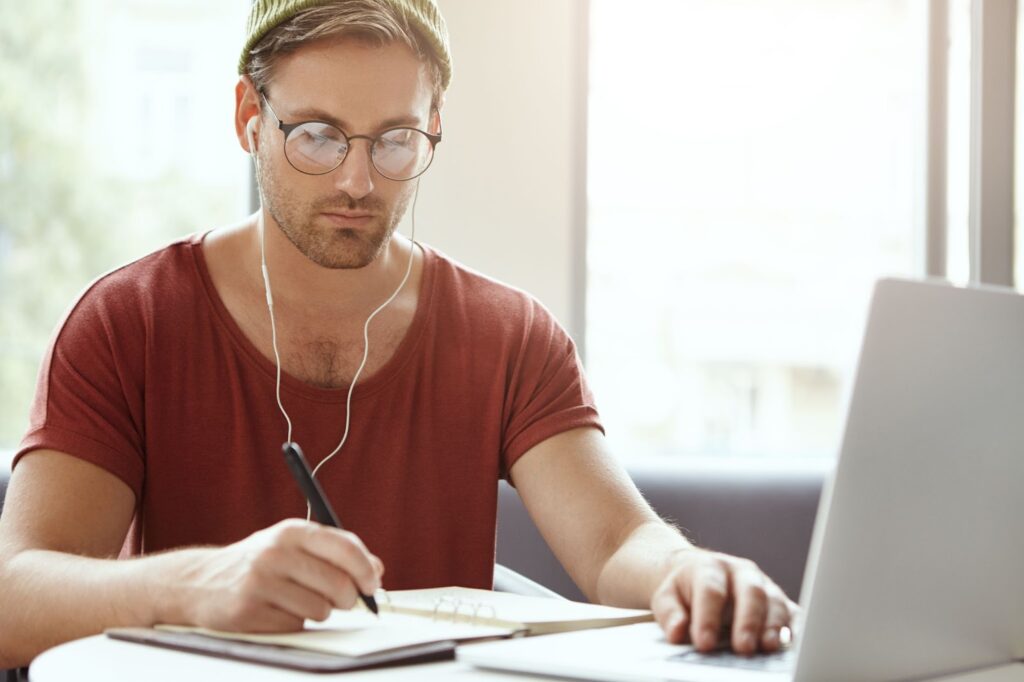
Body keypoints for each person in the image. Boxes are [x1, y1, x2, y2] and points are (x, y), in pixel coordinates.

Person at [0, 0, 796, 669]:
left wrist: (690, 572)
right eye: (316, 134)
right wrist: (194, 586)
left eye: (394, 140)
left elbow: (619, 542)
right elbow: (14, 593)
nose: (358, 180)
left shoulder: (509, 336)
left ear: (434, 126)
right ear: (249, 118)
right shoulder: (129, 319)